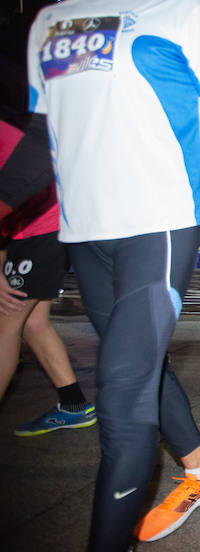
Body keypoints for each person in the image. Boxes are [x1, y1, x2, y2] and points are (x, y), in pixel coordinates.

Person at [0, 0, 200, 548]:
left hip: (160, 220)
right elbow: (42, 138)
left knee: (120, 391)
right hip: (86, 231)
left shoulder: (181, 9)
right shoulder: (49, 23)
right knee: (138, 366)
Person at [0, 120, 97, 436]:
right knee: (32, 323)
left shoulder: (10, 130)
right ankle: (73, 404)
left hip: (36, 227)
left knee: (6, 326)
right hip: (36, 226)